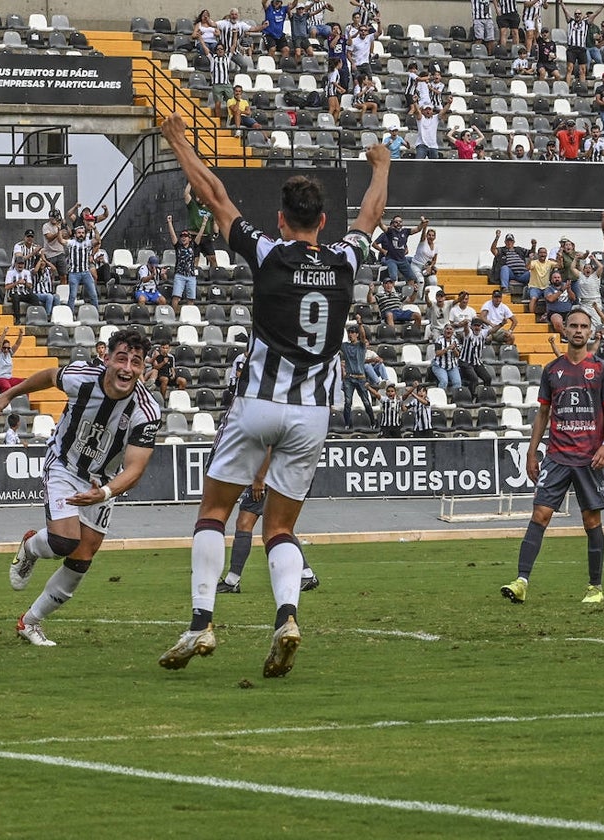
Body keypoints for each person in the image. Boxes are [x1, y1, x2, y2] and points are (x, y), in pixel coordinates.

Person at [157, 111, 389, 678]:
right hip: (311, 413)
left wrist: (179, 140)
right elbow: (372, 214)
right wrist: (382, 166)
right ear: (324, 221)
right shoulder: (344, 260)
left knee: (213, 512)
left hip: (258, 403)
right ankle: (286, 616)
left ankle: (200, 623)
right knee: (280, 528)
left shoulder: (267, 251)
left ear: (283, 221)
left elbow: (213, 194)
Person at [0, 330, 161, 647]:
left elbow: (136, 468)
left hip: (102, 481)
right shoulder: (83, 377)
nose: (127, 368)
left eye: (136, 362)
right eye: (121, 358)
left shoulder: (146, 412)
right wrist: (9, 395)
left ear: (142, 368)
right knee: (64, 540)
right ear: (107, 358)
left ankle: (29, 622)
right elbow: (47, 376)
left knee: (83, 557)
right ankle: (31, 547)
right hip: (64, 463)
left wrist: (106, 492)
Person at [501, 307, 604, 606]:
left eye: (584, 326)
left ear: (591, 332)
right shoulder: (552, 370)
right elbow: (543, 413)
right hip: (557, 455)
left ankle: (595, 587)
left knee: (591, 521)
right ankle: (521, 582)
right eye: (573, 326)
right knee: (540, 514)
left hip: (590, 458)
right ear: (564, 331)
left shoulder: (602, 369)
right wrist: (531, 451)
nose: (578, 330)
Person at [215, 450, 320, 594]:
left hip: (267, 474)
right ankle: (306, 573)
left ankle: (232, 581)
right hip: (280, 471)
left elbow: (268, 445)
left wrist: (260, 478)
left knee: (249, 524)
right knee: (279, 527)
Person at [167, 213, 207, 311]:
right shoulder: (178, 247)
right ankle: (174, 316)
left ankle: (190, 315)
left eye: (185, 236)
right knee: (176, 296)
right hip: (179, 275)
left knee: (191, 298)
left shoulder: (193, 246)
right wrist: (169, 223)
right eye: (182, 236)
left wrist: (204, 223)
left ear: (189, 238)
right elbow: (172, 235)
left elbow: (199, 236)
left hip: (191, 275)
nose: (183, 237)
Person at [340, 324, 376, 429]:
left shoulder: (361, 345)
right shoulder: (345, 346)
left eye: (352, 333)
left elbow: (364, 337)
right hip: (349, 378)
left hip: (360, 377)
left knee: (366, 401)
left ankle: (373, 422)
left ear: (357, 334)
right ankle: (346, 424)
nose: (350, 335)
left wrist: (360, 324)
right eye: (349, 333)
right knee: (347, 402)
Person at [374, 215, 426, 285]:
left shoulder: (405, 231)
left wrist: (422, 223)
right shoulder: (390, 231)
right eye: (396, 222)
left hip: (402, 260)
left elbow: (417, 229)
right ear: (393, 223)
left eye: (400, 222)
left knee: (412, 278)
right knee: (393, 277)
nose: (398, 223)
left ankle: (410, 293)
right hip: (391, 259)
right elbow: (382, 226)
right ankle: (392, 293)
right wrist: (379, 216)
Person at [65, 223, 100, 309]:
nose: (81, 234)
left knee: (94, 295)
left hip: (86, 272)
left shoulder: (87, 242)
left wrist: (94, 228)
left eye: (83, 233)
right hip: (73, 273)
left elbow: (98, 240)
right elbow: (61, 241)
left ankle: (96, 314)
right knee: (72, 296)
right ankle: (70, 314)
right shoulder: (71, 242)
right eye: (79, 233)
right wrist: (59, 230)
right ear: (75, 234)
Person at [4, 254, 42, 322]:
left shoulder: (27, 272)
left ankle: (36, 317)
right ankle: (17, 319)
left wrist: (25, 283)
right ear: (15, 264)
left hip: (24, 293)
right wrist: (16, 283)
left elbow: (30, 286)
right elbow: (6, 287)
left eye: (22, 264)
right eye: (19, 264)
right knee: (15, 297)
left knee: (34, 297)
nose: (20, 266)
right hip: (14, 292)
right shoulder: (10, 273)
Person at [0, 327, 25, 394]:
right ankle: (6, 403)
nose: (6, 350)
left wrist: (21, 334)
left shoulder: (9, 354)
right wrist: (4, 333)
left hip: (8, 378)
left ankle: (24, 402)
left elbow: (17, 344)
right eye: (4, 348)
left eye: (8, 348)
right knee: (6, 386)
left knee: (24, 383)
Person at [432, 323, 463, 389]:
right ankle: (440, 397)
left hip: (452, 366)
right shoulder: (439, 340)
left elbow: (458, 355)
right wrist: (447, 348)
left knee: (457, 382)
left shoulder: (455, 341)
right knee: (444, 382)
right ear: (444, 331)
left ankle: (455, 398)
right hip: (439, 365)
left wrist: (454, 349)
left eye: (450, 329)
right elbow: (437, 353)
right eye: (447, 329)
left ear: (452, 331)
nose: (448, 331)